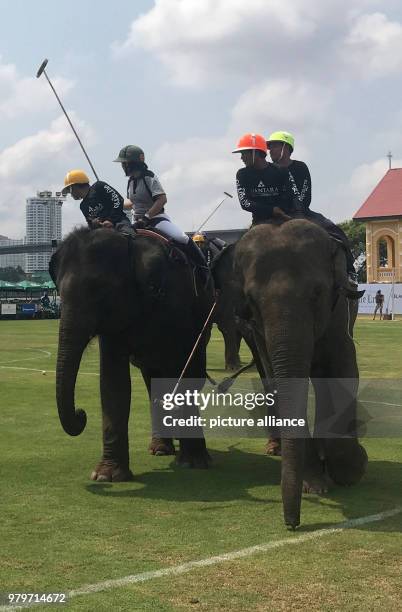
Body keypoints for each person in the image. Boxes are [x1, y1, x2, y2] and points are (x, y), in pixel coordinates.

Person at [266, 131, 357, 280]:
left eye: (274, 146)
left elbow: (304, 194)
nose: (270, 151)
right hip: (274, 214)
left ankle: (349, 271)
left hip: (301, 212)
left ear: (286, 147)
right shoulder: (268, 170)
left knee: (337, 232)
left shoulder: (300, 167)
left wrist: (297, 213)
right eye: (269, 148)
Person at [113, 145, 208, 275]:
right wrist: (115, 203)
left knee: (182, 238)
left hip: (156, 220)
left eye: (125, 163)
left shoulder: (149, 177)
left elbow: (162, 199)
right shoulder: (130, 181)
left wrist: (146, 217)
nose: (122, 166)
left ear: (134, 163)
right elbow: (131, 202)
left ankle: (204, 271)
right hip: (137, 223)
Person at [232, 133, 294, 224]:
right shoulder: (242, 174)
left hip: (284, 220)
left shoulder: (281, 171)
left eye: (244, 153)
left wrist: (281, 210)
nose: (241, 158)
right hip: (259, 223)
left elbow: (291, 195)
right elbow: (245, 203)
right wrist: (271, 210)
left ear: (255, 153)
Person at [62, 170, 133, 235]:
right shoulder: (83, 206)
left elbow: (118, 200)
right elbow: (90, 224)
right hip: (102, 231)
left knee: (129, 236)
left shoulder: (99, 186)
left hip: (119, 221)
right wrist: (94, 224)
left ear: (76, 186)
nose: (70, 194)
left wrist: (111, 220)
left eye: (69, 190)